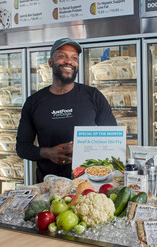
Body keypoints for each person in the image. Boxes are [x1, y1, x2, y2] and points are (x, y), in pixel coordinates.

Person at [16, 38, 117, 183]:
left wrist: (84, 148)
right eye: (62, 56)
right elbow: (22, 147)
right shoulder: (34, 102)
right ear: (51, 62)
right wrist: (48, 153)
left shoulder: (93, 96)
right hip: (50, 186)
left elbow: (113, 138)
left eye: (74, 58)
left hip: (89, 184)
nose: (69, 61)